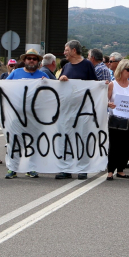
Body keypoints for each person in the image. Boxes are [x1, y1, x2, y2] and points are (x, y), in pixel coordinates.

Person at [2, 49, 52, 179]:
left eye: (34, 59)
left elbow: (52, 93)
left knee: (34, 142)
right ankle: (12, 168)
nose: (31, 60)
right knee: (15, 142)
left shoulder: (43, 76)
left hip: (35, 116)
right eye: (29, 58)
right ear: (24, 60)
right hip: (17, 115)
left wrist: (48, 83)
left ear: (38, 61)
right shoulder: (16, 73)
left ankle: (32, 168)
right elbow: (3, 87)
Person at [57, 40, 96, 180]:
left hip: (83, 110)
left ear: (74, 50)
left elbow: (94, 85)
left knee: (82, 138)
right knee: (66, 138)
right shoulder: (66, 66)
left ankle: (82, 168)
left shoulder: (87, 65)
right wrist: (61, 79)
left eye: (66, 49)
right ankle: (66, 169)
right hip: (67, 110)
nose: (64, 52)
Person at [106, 58, 129, 180]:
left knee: (126, 146)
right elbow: (105, 100)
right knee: (114, 145)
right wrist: (109, 104)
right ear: (121, 69)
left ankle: (120, 169)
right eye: (128, 70)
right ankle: (110, 170)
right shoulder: (112, 84)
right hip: (115, 119)